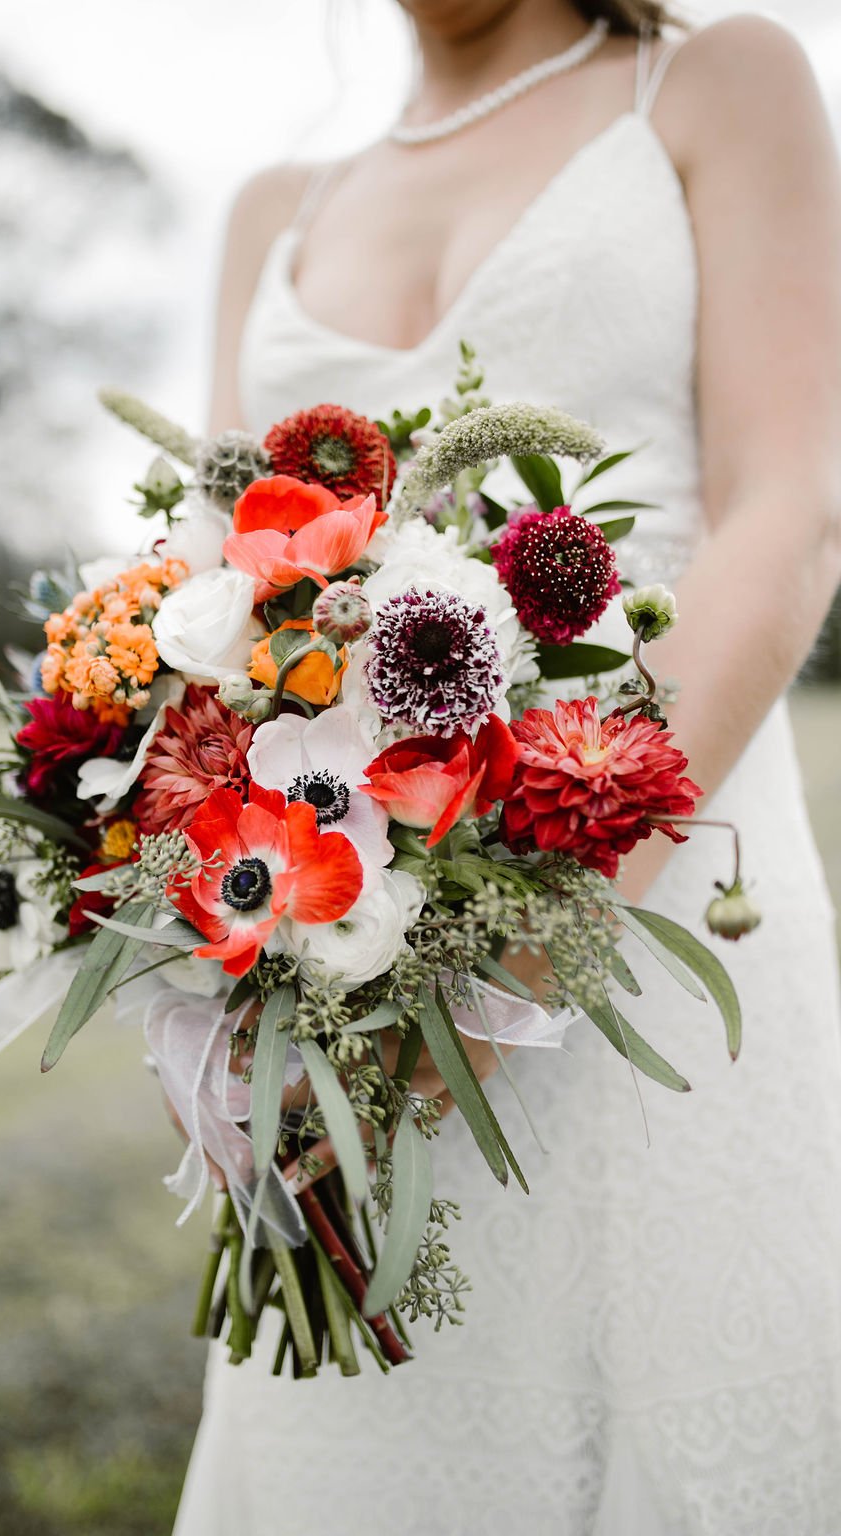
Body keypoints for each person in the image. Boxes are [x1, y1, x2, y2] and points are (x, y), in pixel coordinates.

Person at [174, 3, 841, 1530]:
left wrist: (533, 927)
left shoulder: (715, 82)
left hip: (663, 918)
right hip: (335, 958)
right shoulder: (273, 210)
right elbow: (211, 597)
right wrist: (205, 972)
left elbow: (785, 511)